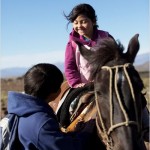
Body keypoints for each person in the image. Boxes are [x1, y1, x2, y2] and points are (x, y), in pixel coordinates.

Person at [7, 63, 96, 150]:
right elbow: (69, 147)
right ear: (55, 91)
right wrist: (86, 131)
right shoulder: (42, 124)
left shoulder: (17, 112)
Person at [64, 3, 114, 88]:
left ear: (93, 21)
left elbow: (116, 59)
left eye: (83, 22)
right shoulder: (72, 43)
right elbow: (69, 67)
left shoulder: (106, 37)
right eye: (75, 23)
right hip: (85, 87)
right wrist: (76, 83)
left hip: (107, 84)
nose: (79, 26)